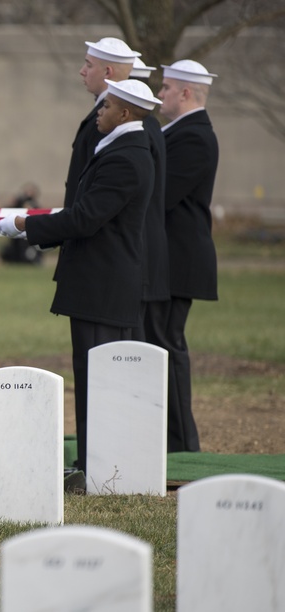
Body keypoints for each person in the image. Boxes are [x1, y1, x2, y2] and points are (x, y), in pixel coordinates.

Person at [0, 78, 159, 475]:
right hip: (100, 280)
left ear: (124, 113)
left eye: (105, 108)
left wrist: (25, 224)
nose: (98, 114)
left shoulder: (126, 156)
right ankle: (95, 461)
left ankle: (98, 465)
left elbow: (86, 218)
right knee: (95, 377)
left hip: (102, 282)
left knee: (97, 379)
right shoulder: (123, 148)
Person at [145, 59, 220, 453]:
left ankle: (182, 444)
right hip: (170, 259)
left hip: (178, 261)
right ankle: (170, 437)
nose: (160, 95)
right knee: (159, 343)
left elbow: (162, 195)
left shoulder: (194, 136)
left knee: (167, 345)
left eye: (166, 88)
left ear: (186, 92)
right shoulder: (181, 132)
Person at [64, 38, 139, 210]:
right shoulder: (111, 111)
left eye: (89, 65)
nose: (82, 71)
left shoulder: (113, 118)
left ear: (107, 72)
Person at [129, 59, 170, 343]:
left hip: (139, 250)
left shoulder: (141, 129)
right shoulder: (151, 126)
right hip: (143, 247)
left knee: (140, 341)